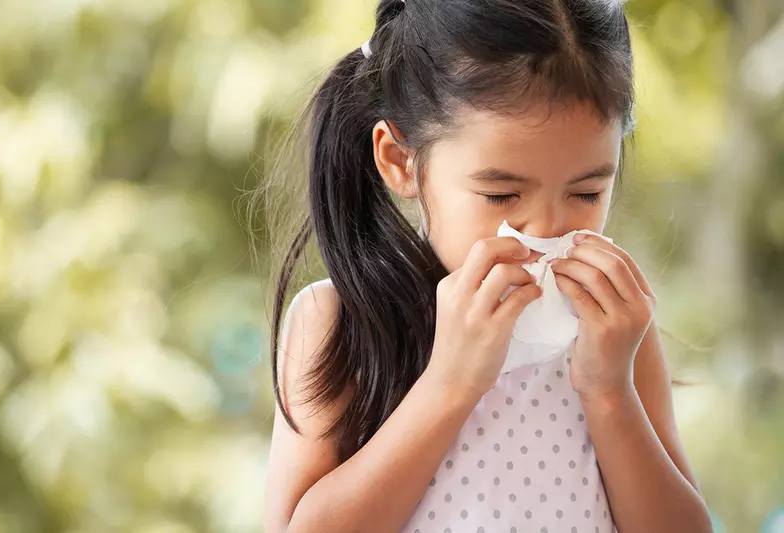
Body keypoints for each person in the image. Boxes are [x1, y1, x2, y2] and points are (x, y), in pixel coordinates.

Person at [263, 1, 713, 532]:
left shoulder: (613, 331)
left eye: (587, 191)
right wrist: (449, 384)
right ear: (399, 162)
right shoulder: (338, 320)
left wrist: (609, 390)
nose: (547, 229)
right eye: (501, 195)